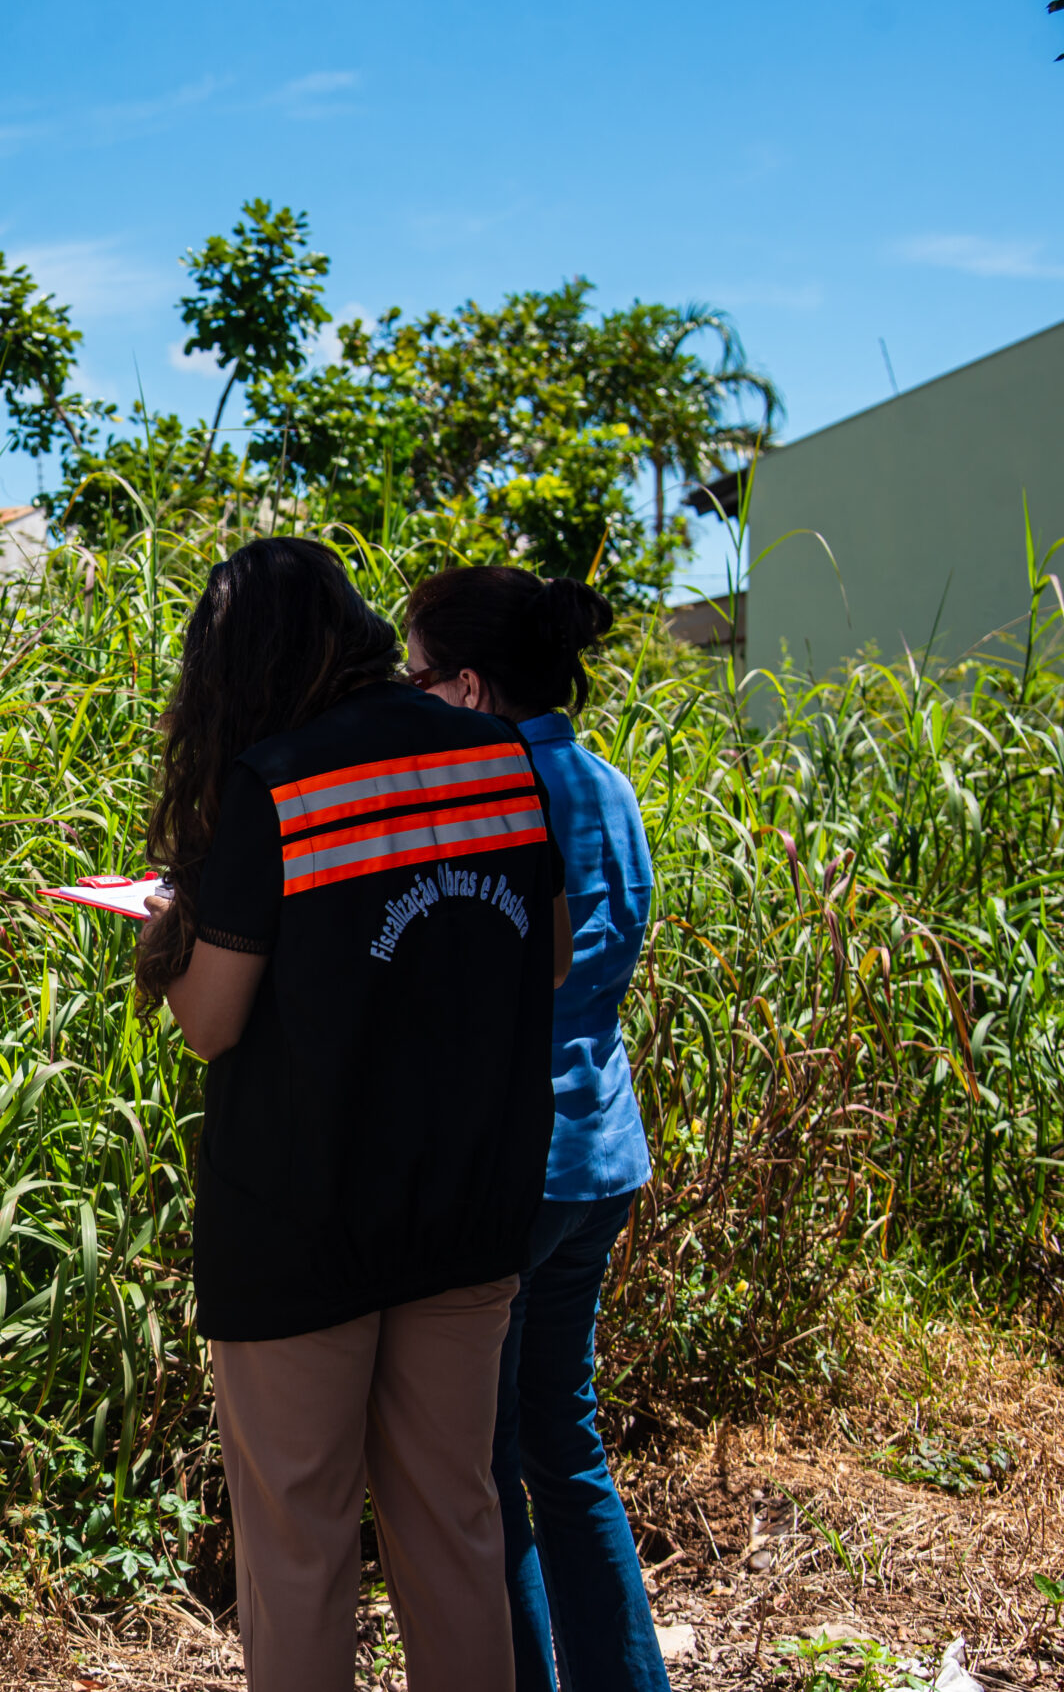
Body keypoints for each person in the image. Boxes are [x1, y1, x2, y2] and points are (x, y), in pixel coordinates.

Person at [138, 538, 569, 1692]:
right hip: (469, 1201)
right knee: (456, 1525)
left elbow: (213, 1020)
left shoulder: (275, 782)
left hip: (300, 1219)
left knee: (301, 1545)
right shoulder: (500, 759)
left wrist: (161, 931)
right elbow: (556, 955)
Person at [403, 565, 667, 1692]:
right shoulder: (604, 783)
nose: (407, 696)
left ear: (465, 684)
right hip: (598, 1146)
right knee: (565, 1443)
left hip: (509, 1168)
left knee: (478, 1465)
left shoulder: (481, 791)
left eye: (415, 675)